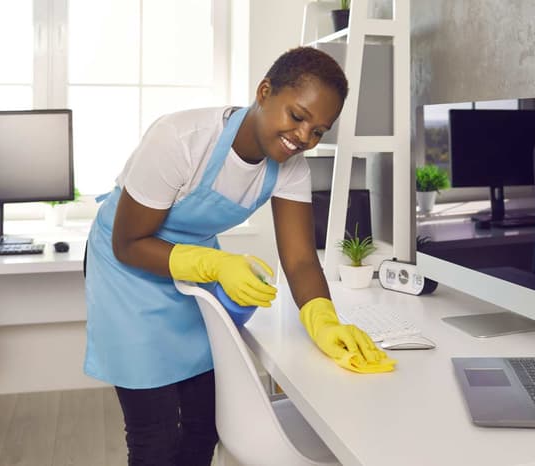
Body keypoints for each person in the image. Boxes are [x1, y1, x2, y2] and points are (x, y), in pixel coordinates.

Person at [83, 46, 396, 466]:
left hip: (191, 269)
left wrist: (323, 320)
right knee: (154, 437)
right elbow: (129, 243)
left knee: (204, 424)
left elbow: (301, 259)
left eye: (319, 131)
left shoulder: (291, 167)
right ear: (264, 92)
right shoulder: (181, 140)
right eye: (297, 116)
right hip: (128, 271)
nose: (304, 137)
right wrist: (214, 264)